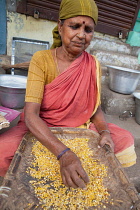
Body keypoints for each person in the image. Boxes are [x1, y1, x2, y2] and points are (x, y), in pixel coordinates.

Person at [0, 0, 136, 189]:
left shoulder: (93, 63)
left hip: (80, 128)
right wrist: (64, 153)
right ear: (60, 26)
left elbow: (94, 108)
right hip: (43, 127)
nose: (81, 35)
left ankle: (83, 176)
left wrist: (104, 131)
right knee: (2, 150)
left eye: (88, 30)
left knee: (124, 140)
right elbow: (31, 115)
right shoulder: (42, 60)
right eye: (74, 26)